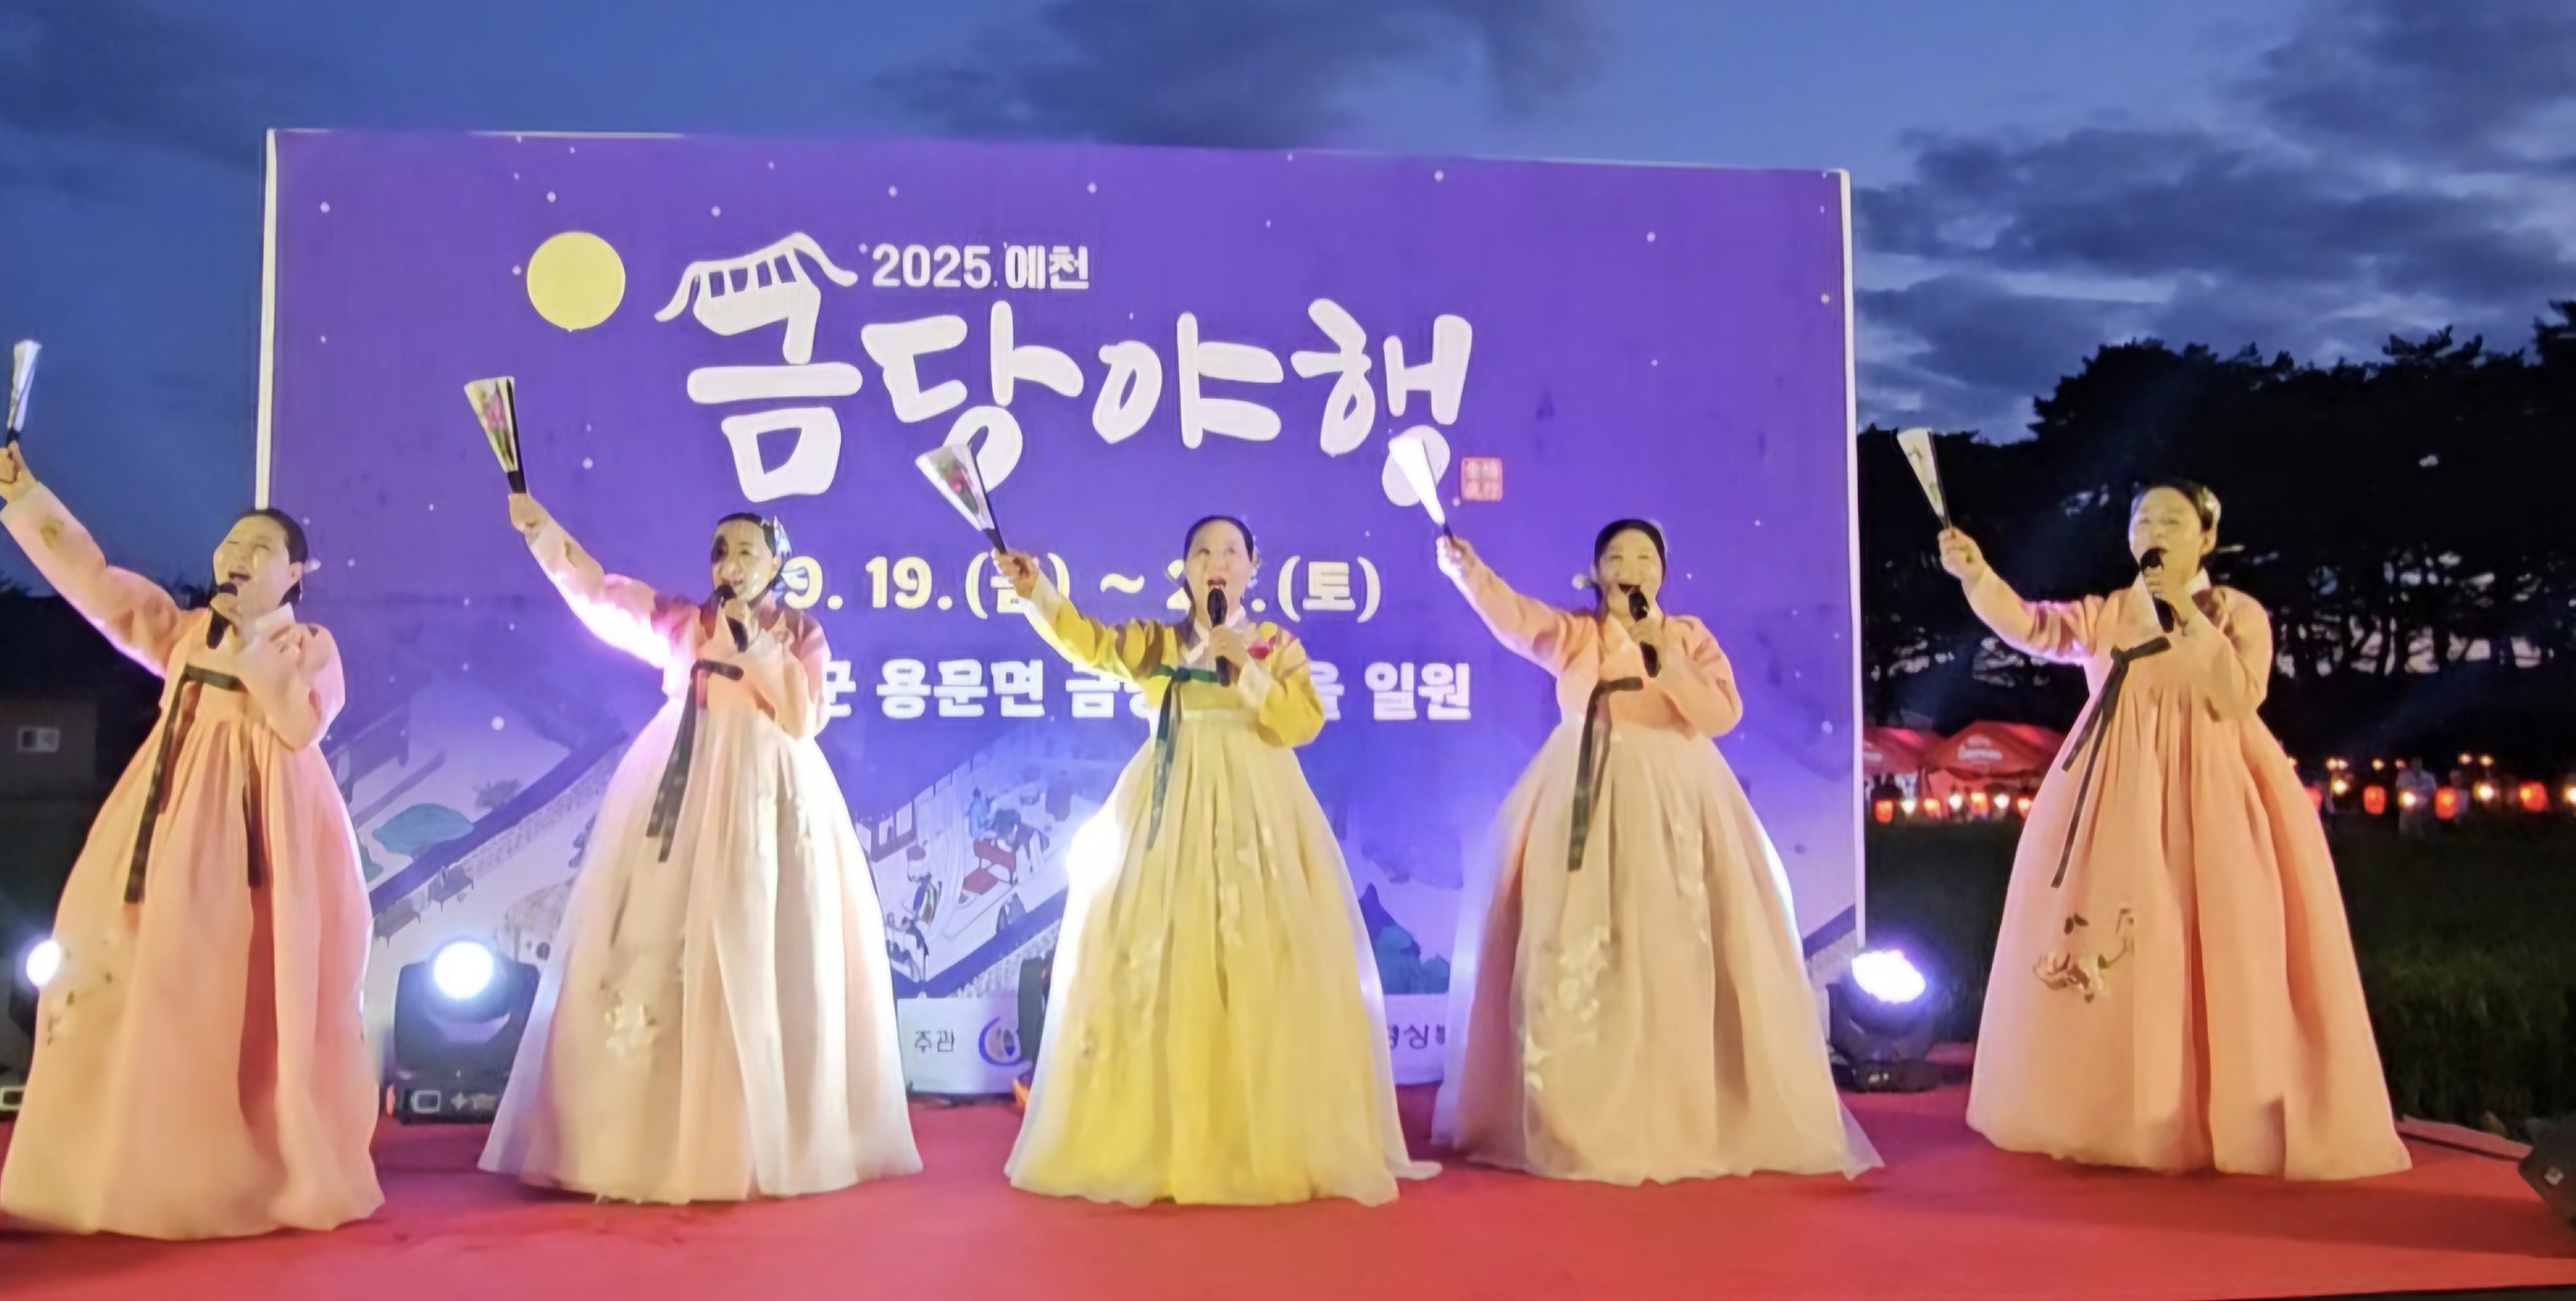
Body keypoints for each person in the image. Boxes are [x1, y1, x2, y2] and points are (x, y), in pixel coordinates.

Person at [1939, 481, 2408, 1179]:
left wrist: (2185, 612)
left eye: (2172, 521)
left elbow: (2238, 692)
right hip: (2114, 795)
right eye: (2144, 520)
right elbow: (2034, 627)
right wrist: (1978, 575)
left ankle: (2225, 1115)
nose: (2154, 530)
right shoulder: (2107, 613)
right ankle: (2115, 1114)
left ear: (2207, 538)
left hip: (2213, 790)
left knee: (2219, 935)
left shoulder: (2235, 613)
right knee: (2119, 938)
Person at [0, 443, 381, 1238]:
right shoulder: (184, 632)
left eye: (260, 549)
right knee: (146, 978)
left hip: (264, 842)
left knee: (249, 991)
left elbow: (299, 723)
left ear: (296, 573)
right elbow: (98, 587)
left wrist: (251, 644)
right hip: (165, 827)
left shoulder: (308, 648)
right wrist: (28, 498)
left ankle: (255, 1162)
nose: (239, 556)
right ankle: (128, 1162)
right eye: (232, 545)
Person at [479, 495, 918, 1202]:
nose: (730, 565)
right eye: (721, 552)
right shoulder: (684, 623)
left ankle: (757, 1134)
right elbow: (600, 595)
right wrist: (544, 533)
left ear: (777, 564)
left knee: (759, 943)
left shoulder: (801, 632)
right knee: (660, 940)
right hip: (684, 790)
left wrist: (755, 641)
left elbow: (803, 716)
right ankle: (639, 1136)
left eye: (747, 552)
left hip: (769, 797)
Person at [994, 518, 1432, 1206]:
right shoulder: (1159, 643)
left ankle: (1267, 1132)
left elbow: (1302, 722)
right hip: (1167, 809)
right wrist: (1037, 593)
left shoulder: (1276, 645)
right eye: (1202, 552)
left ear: (1253, 567)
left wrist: (1246, 670)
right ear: (1186, 572)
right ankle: (1167, 1133)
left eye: (1230, 551)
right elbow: (1089, 643)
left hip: (1260, 816)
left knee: (1263, 958)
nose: (1216, 561)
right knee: (1165, 958)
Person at [1430, 524, 1877, 1185]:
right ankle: (1573, 1114)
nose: (1630, 567)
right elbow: (1515, 619)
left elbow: (1719, 715)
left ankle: (1683, 1110)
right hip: (1583, 796)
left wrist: (1661, 654)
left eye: (1644, 557)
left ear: (1662, 574)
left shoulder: (1688, 637)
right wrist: (1469, 572)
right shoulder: (1577, 635)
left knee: (1673, 952)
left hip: (1677, 805)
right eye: (1615, 557)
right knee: (1574, 948)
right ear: (1596, 572)